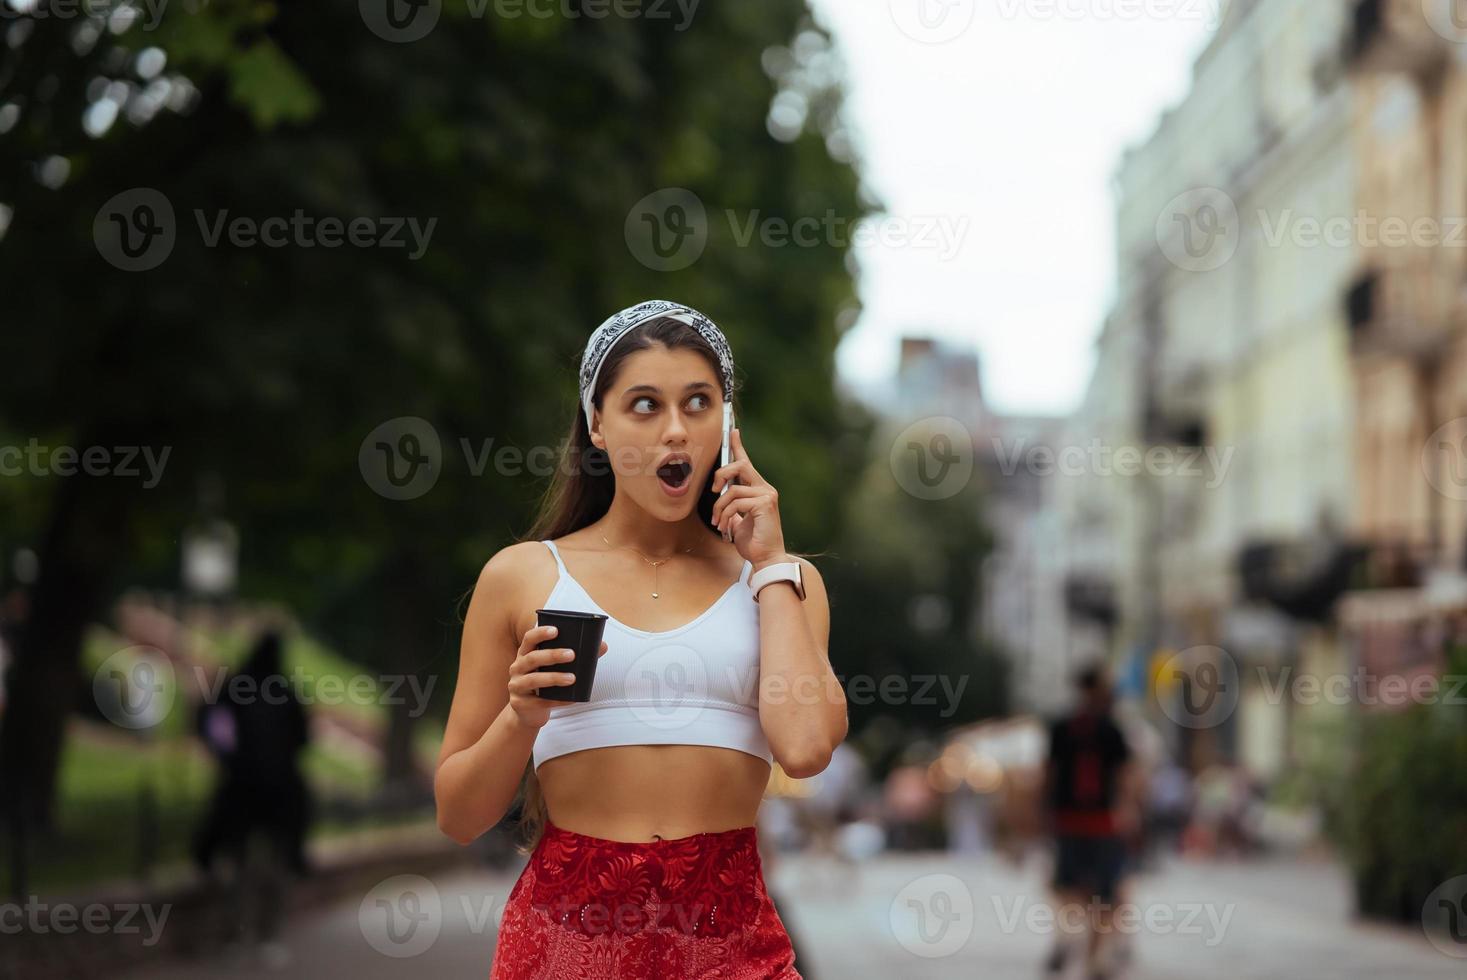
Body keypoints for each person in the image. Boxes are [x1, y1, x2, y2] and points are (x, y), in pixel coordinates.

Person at [435, 300, 847, 978]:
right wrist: (521, 716)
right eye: (645, 406)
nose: (675, 431)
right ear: (597, 423)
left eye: (698, 402)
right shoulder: (522, 577)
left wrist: (770, 565)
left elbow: (803, 750)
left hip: (732, 950)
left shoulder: (783, 583)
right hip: (566, 947)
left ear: (727, 420)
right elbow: (457, 815)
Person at [1041, 664, 1139, 980]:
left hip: (1074, 818)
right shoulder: (1111, 729)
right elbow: (1125, 777)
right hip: (1099, 820)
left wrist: (1041, 811)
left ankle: (1071, 940)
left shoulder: (1063, 727)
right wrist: (1129, 812)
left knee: (1071, 888)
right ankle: (1091, 956)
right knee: (1103, 894)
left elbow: (1049, 775)